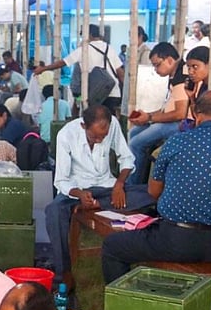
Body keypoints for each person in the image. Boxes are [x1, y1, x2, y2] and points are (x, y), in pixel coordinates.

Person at [101, 91, 211, 283]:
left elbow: (154, 191)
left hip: (177, 239)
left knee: (113, 246)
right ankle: (206, 301)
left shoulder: (177, 142)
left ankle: (129, 299)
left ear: (196, 115)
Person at [46, 105, 155, 290]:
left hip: (106, 187)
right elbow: (61, 180)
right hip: (75, 191)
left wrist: (119, 184)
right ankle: (63, 272)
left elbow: (127, 159)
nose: (99, 140)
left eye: (103, 137)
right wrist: (80, 194)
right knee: (53, 211)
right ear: (83, 126)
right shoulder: (66, 135)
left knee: (151, 194)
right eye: (94, 137)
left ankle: (98, 204)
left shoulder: (112, 125)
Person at [126, 42, 189, 184]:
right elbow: (167, 108)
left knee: (136, 144)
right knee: (134, 133)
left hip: (180, 124)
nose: (155, 70)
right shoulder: (174, 75)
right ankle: (139, 178)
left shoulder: (181, 77)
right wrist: (147, 116)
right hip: (172, 120)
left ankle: (133, 184)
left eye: (157, 65)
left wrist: (149, 117)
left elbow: (180, 113)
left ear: (170, 60)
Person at [37, 24, 124, 115]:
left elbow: (62, 63)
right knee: (111, 120)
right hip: (113, 92)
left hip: (95, 94)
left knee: (94, 120)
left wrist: (44, 69)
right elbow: (120, 73)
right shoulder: (110, 49)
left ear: (89, 34)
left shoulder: (84, 50)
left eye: (83, 35)